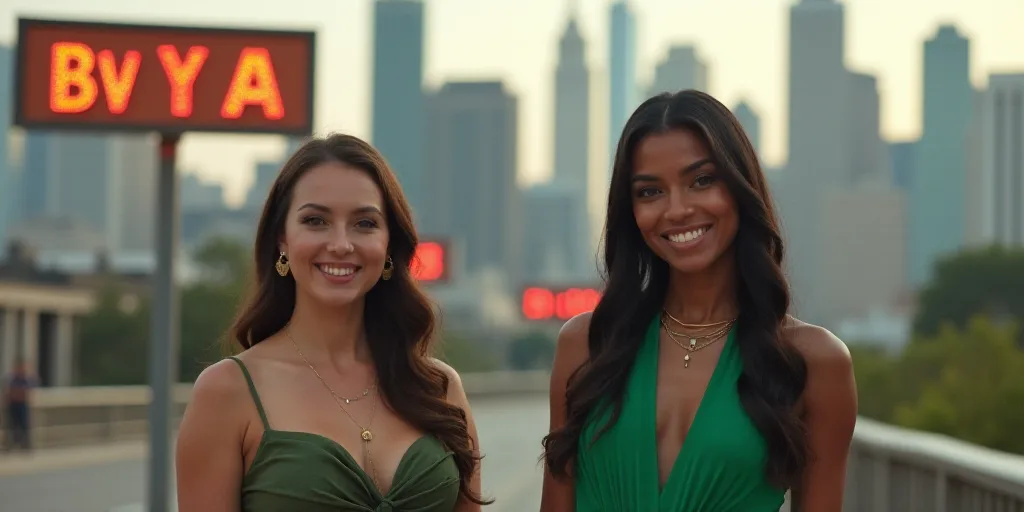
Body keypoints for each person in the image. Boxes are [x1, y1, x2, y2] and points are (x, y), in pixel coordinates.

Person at [540, 90, 858, 511]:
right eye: (650, 192)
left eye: (702, 181)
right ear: (629, 210)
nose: (677, 210)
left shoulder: (814, 361)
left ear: (741, 188)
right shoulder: (585, 344)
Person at [175, 134, 488, 512]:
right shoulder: (226, 392)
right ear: (282, 241)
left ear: (389, 244)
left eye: (365, 223)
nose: (341, 243)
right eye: (316, 220)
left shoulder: (440, 388)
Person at [3, 360, 37, 451]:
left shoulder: (26, 379)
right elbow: (8, 391)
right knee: (12, 426)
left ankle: (26, 445)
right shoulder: (12, 379)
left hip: (22, 405)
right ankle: (11, 444)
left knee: (24, 426)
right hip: (13, 405)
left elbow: (29, 390)